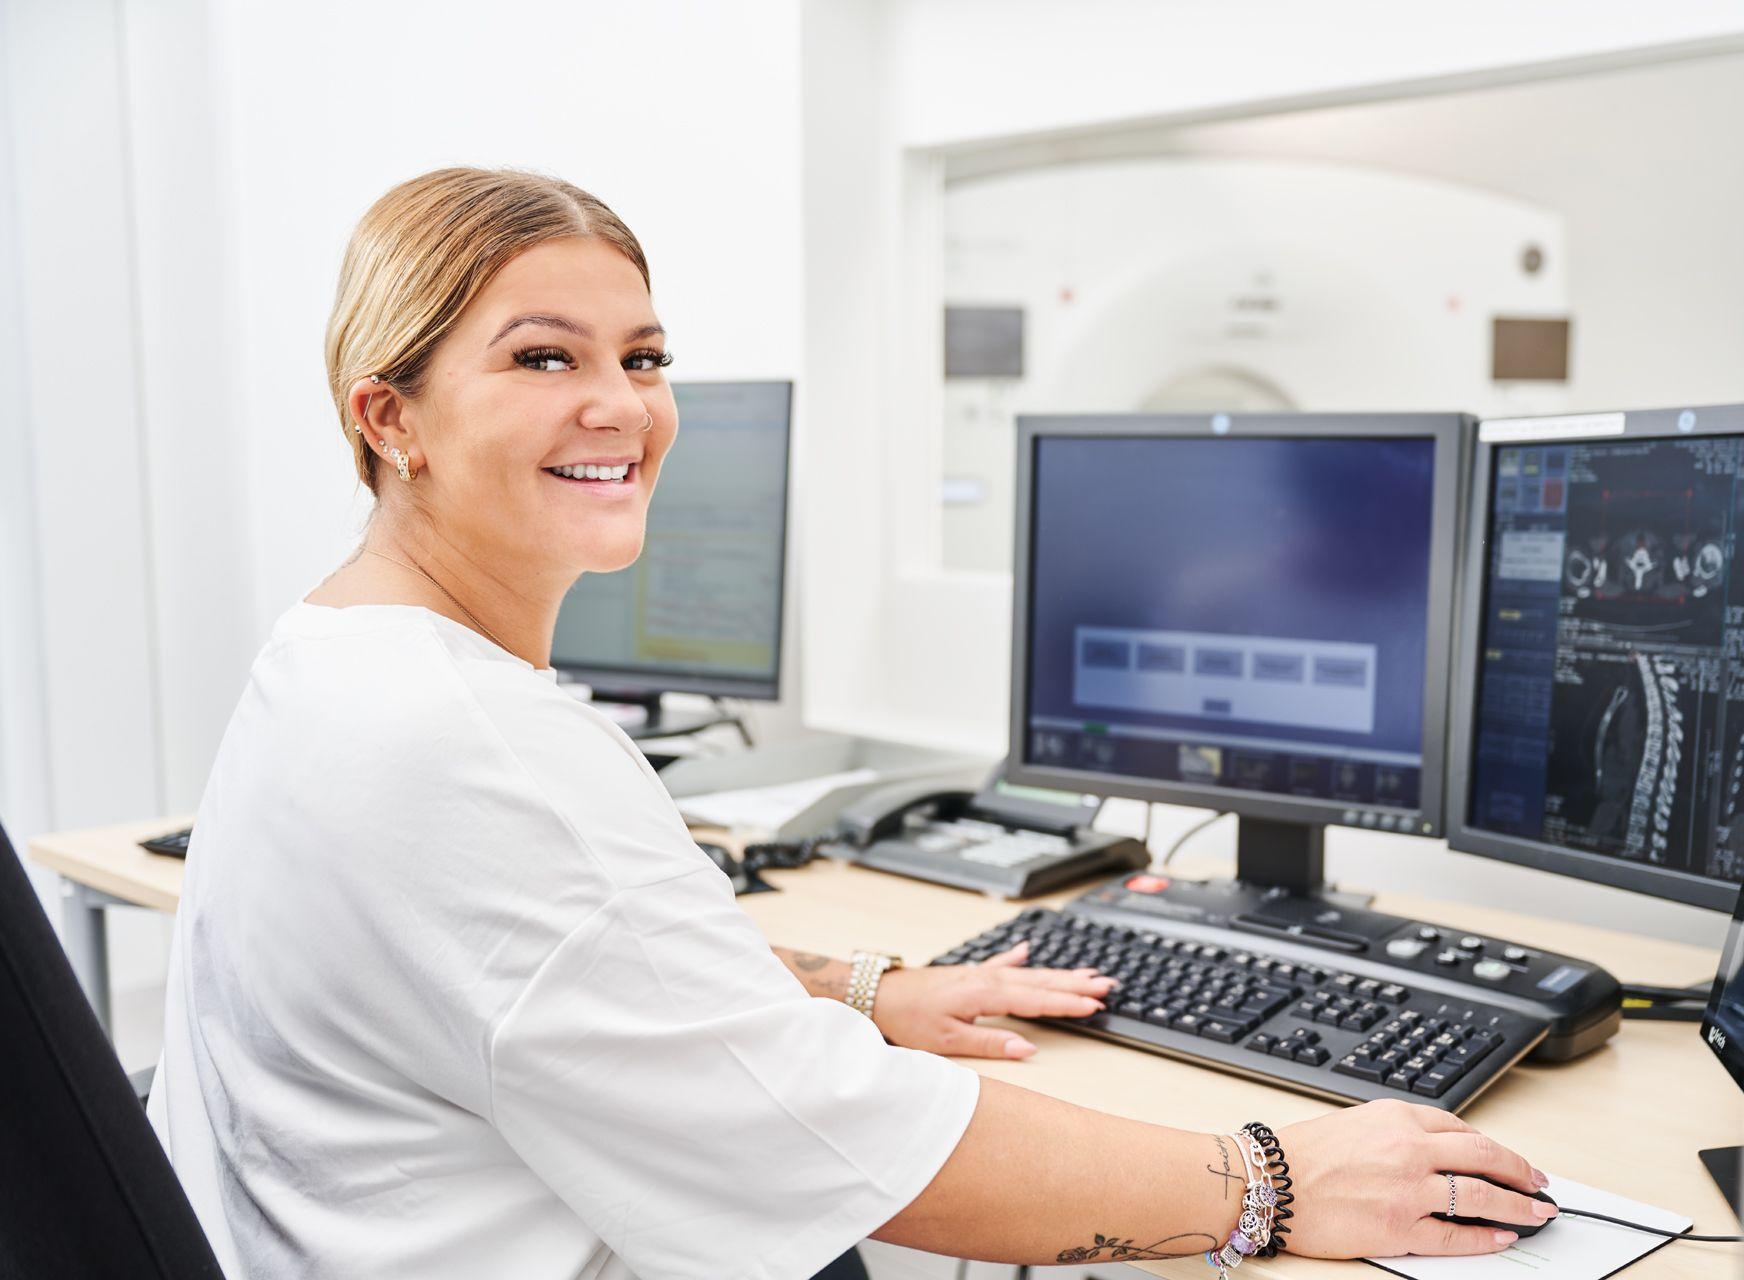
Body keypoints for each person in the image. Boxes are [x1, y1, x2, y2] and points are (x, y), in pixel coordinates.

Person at [148, 167, 1556, 1280]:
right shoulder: (473, 747)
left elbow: (566, 972)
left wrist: (859, 990)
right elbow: (861, 1149)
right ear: (389, 414)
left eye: (642, 354)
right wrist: (1274, 1178)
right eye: (539, 357)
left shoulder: (339, 660)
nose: (619, 405)